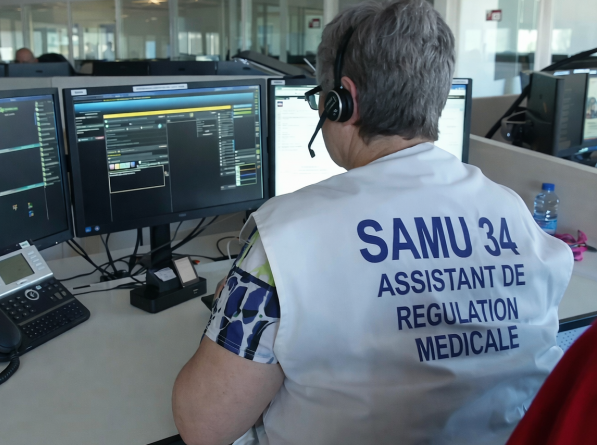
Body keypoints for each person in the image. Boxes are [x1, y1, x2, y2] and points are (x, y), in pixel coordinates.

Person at [171, 1, 574, 444]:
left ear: (345, 100)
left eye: (319, 96)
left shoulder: (286, 239)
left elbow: (204, 427)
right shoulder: (515, 213)